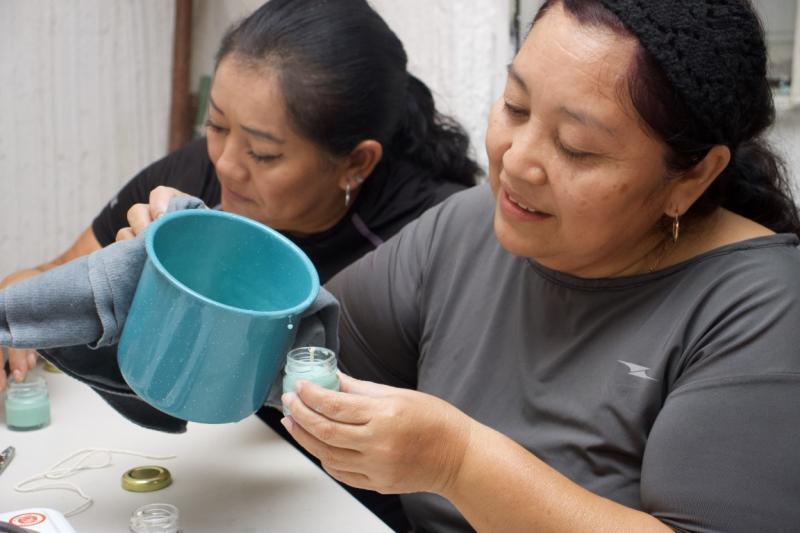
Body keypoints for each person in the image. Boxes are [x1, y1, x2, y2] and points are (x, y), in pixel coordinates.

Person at [263, 1, 799, 531]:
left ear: (693, 177)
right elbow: (290, 354)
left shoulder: (764, 310)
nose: (516, 160)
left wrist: (459, 463)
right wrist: (190, 256)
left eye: (576, 148)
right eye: (515, 106)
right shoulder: (473, 227)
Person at [0, 0, 478, 391]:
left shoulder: (431, 239)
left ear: (355, 163)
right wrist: (115, 282)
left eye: (262, 153)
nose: (225, 163)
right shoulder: (194, 181)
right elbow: (42, 281)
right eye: (216, 124)